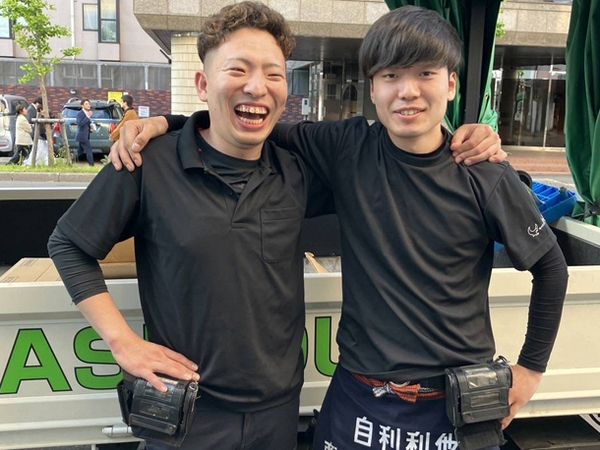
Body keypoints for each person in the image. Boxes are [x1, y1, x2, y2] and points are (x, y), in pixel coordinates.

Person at [113, 6, 568, 450]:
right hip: (358, 397)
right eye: (391, 76)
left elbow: (551, 268)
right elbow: (246, 120)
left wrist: (530, 370)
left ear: (450, 84)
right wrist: (167, 123)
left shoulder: (483, 172)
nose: (407, 91)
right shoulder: (347, 147)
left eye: (425, 74)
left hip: (453, 405)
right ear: (373, 88)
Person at [48, 3, 332, 449]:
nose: (257, 86)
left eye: (273, 74)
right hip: (186, 415)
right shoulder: (147, 163)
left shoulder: (296, 172)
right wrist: (123, 342)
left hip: (278, 413)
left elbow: (383, 164)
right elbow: (68, 244)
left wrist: (455, 141)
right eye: (237, 70)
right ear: (202, 84)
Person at [75, 98, 94, 166]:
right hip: (82, 136)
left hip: (86, 135)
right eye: (86, 104)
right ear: (82, 106)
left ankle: (72, 161)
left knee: (80, 151)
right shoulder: (80, 113)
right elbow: (80, 124)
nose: (88, 105)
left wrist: (90, 129)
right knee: (89, 149)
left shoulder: (87, 113)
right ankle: (91, 165)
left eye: (89, 104)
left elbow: (86, 124)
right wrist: (88, 117)